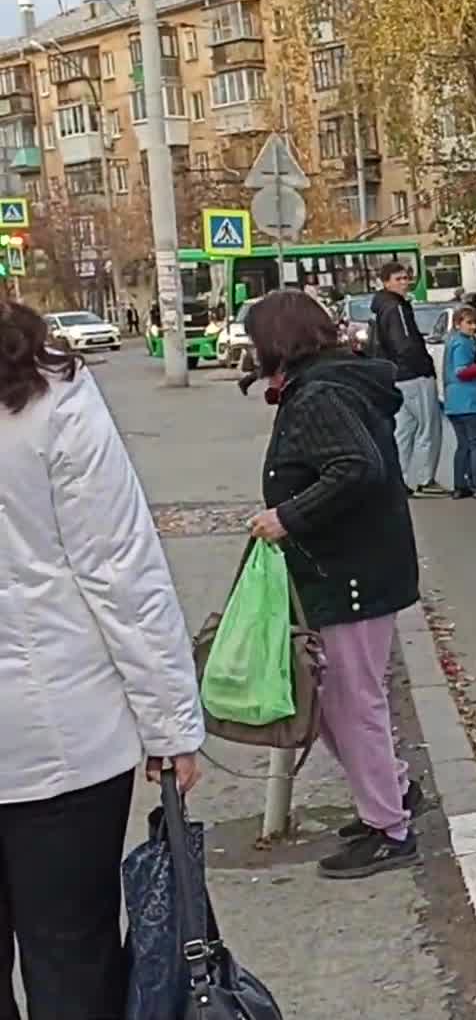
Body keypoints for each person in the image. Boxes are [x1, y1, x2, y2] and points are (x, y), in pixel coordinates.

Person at [0, 298, 205, 1016]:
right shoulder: (50, 394)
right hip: (60, 736)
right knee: (74, 957)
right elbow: (119, 570)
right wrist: (171, 725)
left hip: (58, 737)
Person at [242, 291, 423, 878]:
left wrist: (286, 517)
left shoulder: (319, 394)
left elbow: (355, 468)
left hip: (349, 572)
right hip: (353, 567)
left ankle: (390, 828)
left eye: (256, 339)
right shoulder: (331, 382)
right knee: (339, 702)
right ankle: (389, 795)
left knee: (348, 704)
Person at [368, 261, 447, 496]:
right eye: (399, 279)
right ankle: (425, 479)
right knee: (428, 426)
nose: (404, 283)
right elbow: (404, 342)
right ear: (386, 282)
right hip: (413, 374)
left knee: (404, 430)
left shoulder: (382, 307)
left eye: (406, 278)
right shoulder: (397, 308)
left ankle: (398, 479)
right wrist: (422, 366)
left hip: (397, 375)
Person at [443, 304, 476, 499]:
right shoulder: (464, 343)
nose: (473, 327)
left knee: (463, 445)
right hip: (470, 400)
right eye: (469, 323)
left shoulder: (451, 342)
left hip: (453, 403)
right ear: (458, 324)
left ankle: (460, 484)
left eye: (475, 323)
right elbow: (462, 371)